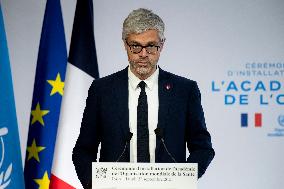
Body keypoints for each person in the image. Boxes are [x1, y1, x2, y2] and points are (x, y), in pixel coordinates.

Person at [72, 8, 215, 189]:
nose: (143, 54)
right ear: (125, 45)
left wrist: (184, 179)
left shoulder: (185, 90)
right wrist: (93, 183)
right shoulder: (102, 90)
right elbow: (83, 150)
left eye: (151, 46)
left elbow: (203, 148)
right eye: (135, 46)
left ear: (161, 45)